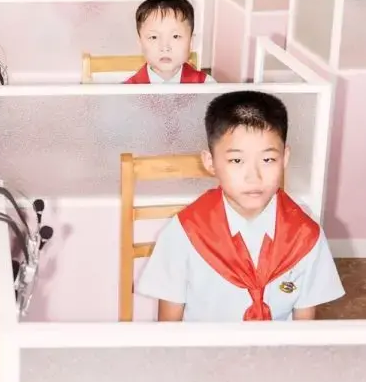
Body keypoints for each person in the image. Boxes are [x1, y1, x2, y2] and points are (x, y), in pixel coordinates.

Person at [136, 90, 344, 321]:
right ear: (210, 162)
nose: (253, 176)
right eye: (236, 160)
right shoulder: (184, 233)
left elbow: (304, 324)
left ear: (284, 158)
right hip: (203, 354)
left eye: (267, 160)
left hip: (276, 354)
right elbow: (169, 326)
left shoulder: (306, 236)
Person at [124, 0, 214, 84]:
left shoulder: (207, 85)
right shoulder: (127, 90)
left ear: (191, 42)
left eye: (175, 36)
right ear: (140, 43)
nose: (165, 47)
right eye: (154, 37)